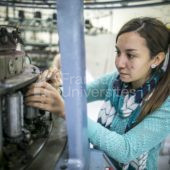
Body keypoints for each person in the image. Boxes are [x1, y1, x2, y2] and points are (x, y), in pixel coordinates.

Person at [25, 17, 170, 170]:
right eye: (118, 52)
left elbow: (126, 149)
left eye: (130, 55)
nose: (119, 63)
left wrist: (67, 111)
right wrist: (57, 90)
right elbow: (80, 93)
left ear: (156, 59)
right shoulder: (116, 80)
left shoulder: (165, 103)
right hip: (103, 163)